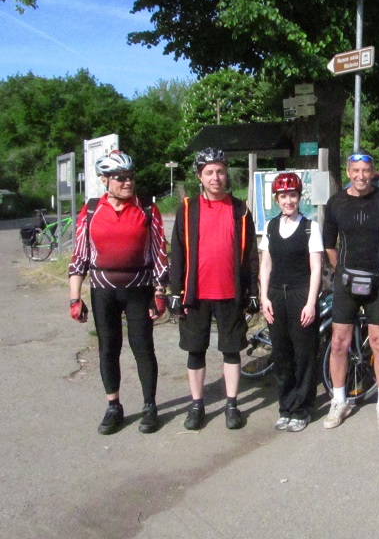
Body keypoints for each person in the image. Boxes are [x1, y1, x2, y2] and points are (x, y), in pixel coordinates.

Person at [69, 150, 169, 435]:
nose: (128, 182)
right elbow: (80, 256)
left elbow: (159, 253)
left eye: (131, 177)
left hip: (139, 288)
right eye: (121, 178)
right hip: (103, 289)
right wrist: (75, 297)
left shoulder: (147, 208)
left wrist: (159, 292)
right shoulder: (91, 210)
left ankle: (150, 406)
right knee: (108, 349)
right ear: (105, 180)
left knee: (143, 348)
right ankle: (113, 406)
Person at [168, 148, 259, 431]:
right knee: (195, 350)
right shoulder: (188, 209)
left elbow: (251, 253)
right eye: (209, 172)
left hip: (230, 293)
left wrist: (253, 290)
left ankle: (232, 404)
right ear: (199, 176)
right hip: (196, 294)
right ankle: (197, 404)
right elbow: (177, 253)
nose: (215, 177)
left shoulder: (240, 209)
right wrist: (174, 292)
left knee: (231, 351)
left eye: (220, 171)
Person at [322, 149, 379, 430]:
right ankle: (339, 401)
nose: (361, 176)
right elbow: (328, 245)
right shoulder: (336, 202)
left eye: (366, 171)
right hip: (346, 282)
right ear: (348, 172)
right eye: (355, 170)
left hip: (377, 281)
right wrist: (342, 271)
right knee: (339, 343)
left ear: (373, 172)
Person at [259, 173, 323, 432]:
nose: (288, 201)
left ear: (299, 197)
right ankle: (285, 406)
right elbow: (265, 264)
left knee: (303, 354)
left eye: (293, 195)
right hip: (276, 295)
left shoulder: (310, 227)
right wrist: (264, 297)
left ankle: (302, 408)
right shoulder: (271, 226)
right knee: (281, 353)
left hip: (300, 294)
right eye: (283, 196)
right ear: (277, 199)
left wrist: (311, 303)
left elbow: (316, 268)